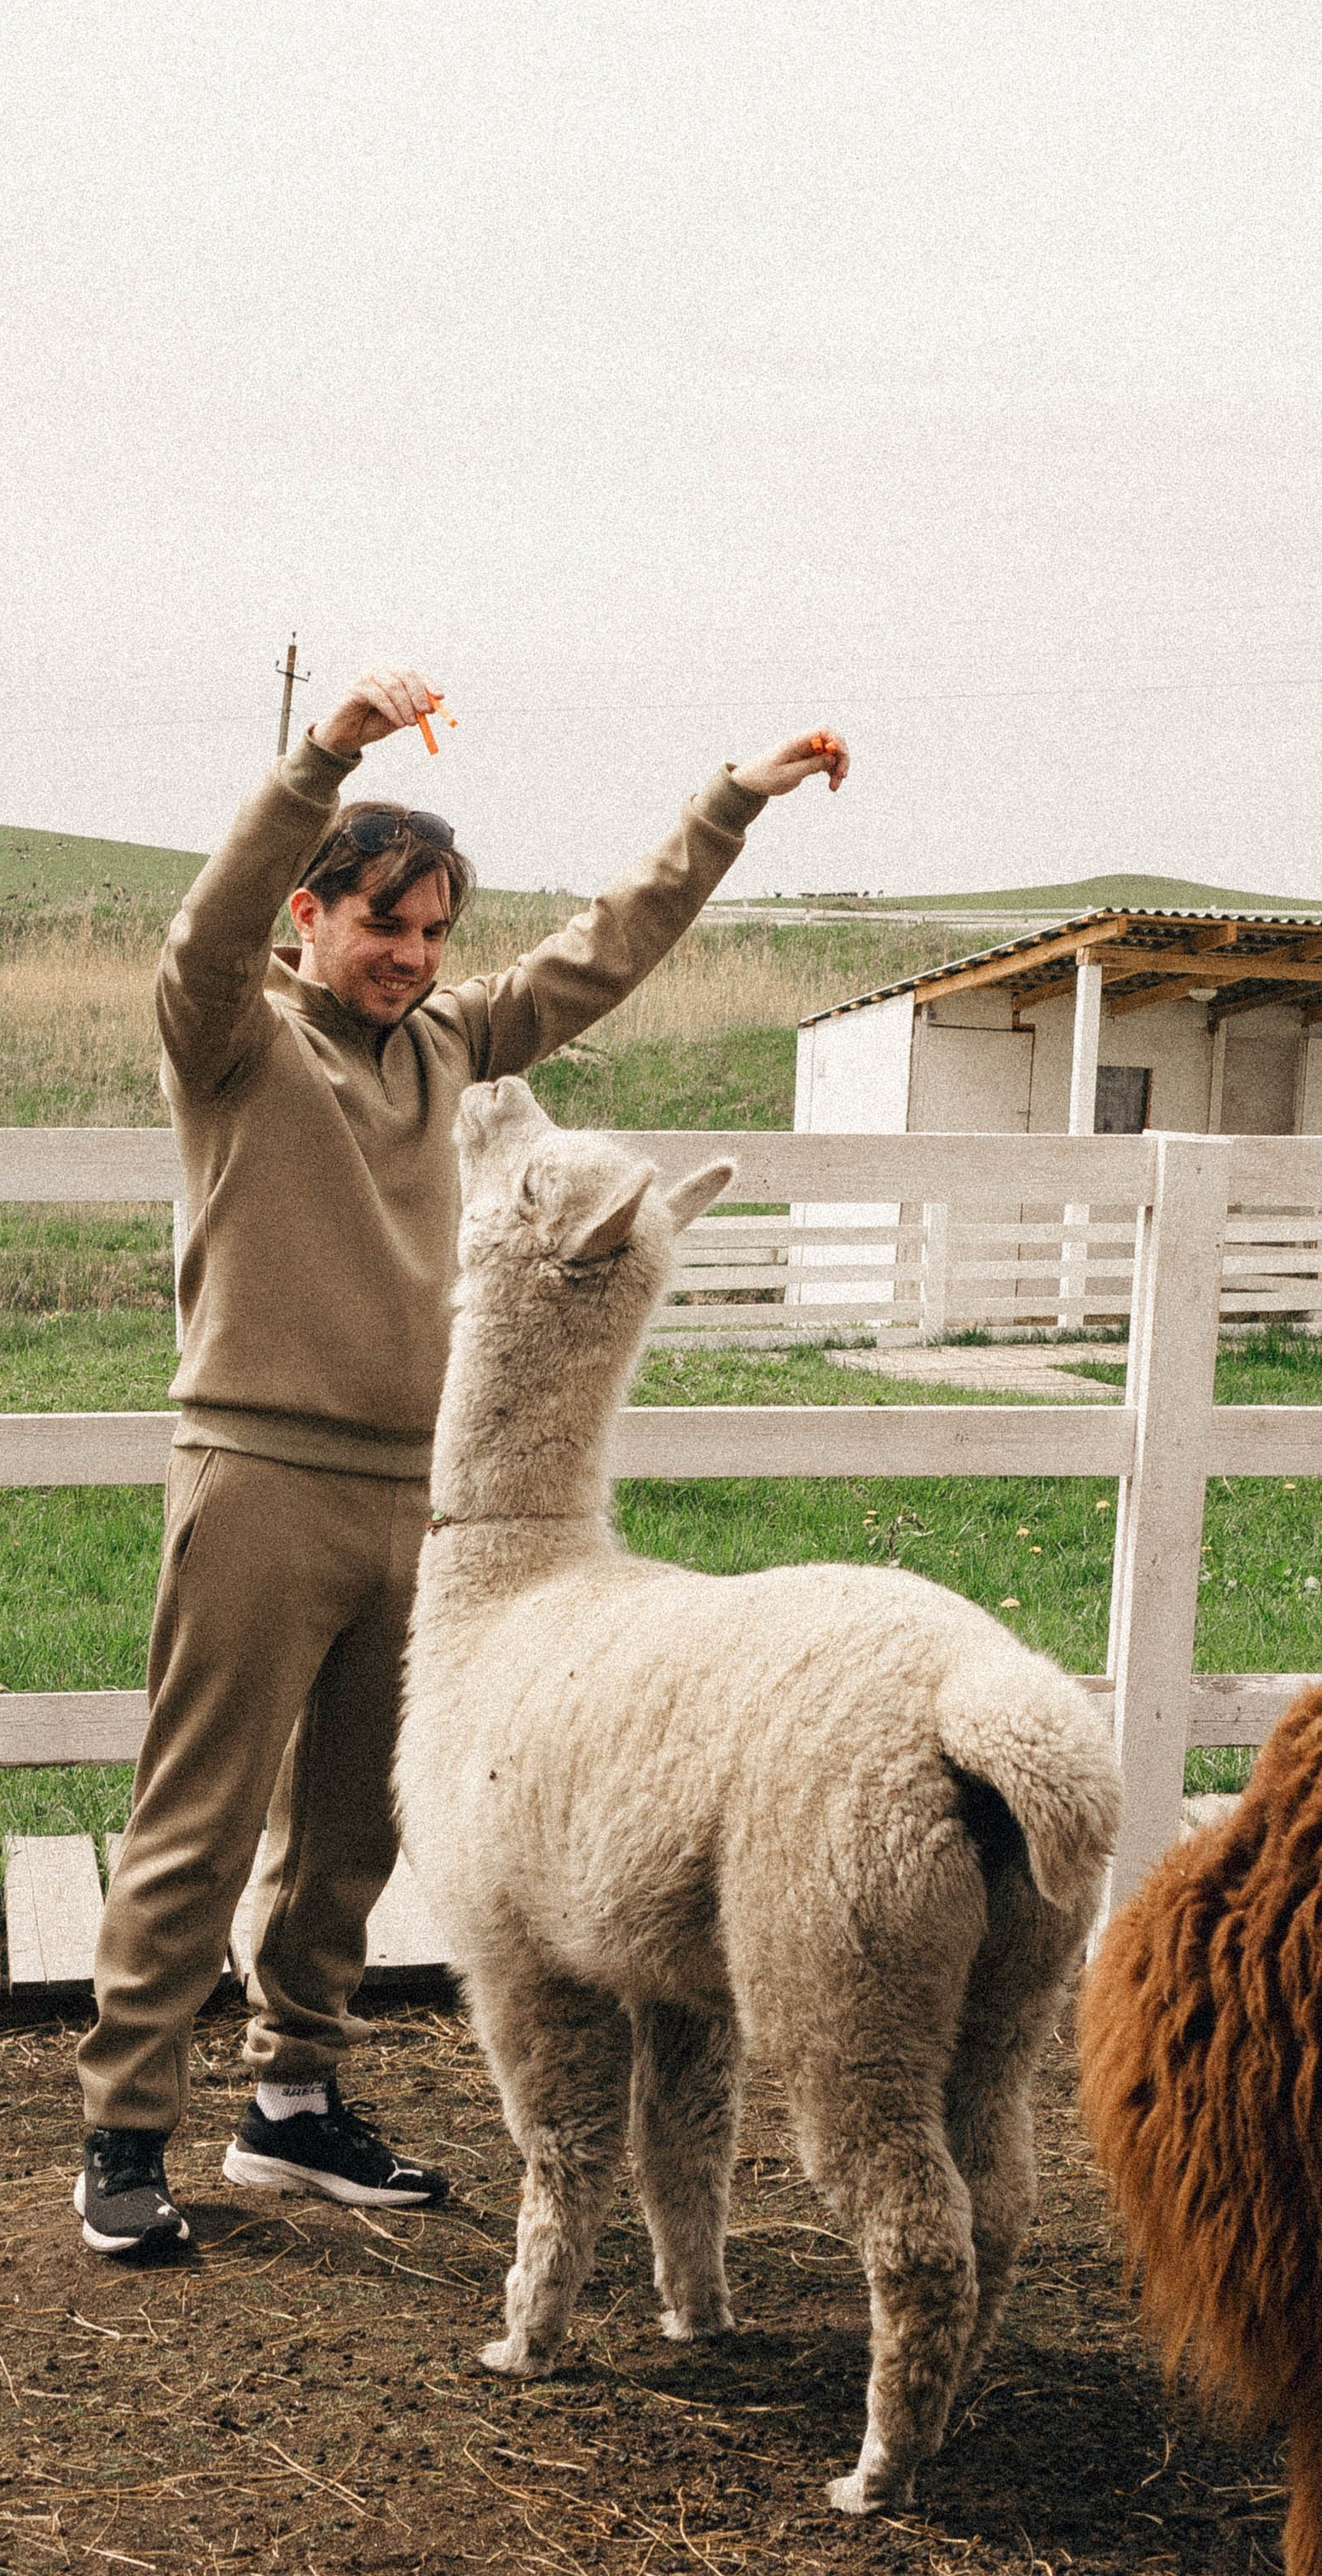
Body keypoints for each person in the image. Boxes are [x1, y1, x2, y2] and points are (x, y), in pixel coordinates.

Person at [74, 664, 849, 2255]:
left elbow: (603, 950)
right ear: (309, 915)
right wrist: (319, 760)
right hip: (257, 1480)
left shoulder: (450, 1043)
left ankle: (292, 2104)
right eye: (385, 924)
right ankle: (123, 2130)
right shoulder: (230, 1040)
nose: (413, 956)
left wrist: (730, 805)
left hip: (417, 1506)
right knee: (198, 1821)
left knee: (355, 1829)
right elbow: (203, 931)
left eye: (434, 932)